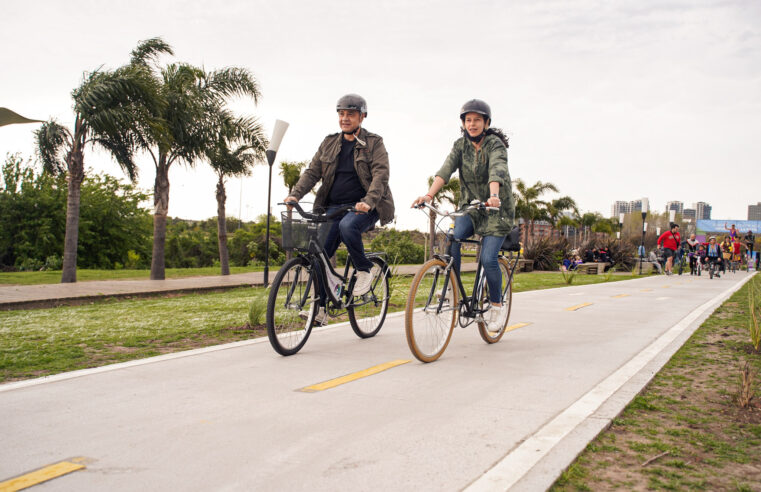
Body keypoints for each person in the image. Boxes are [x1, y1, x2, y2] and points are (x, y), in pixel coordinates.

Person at [285, 94, 395, 322]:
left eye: (351, 114)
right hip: (333, 206)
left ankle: (364, 269)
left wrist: (369, 201)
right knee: (319, 255)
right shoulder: (329, 142)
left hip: (365, 206)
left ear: (362, 117)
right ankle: (321, 308)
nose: (345, 118)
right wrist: (295, 195)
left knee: (348, 226)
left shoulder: (374, 143)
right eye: (341, 114)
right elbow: (312, 172)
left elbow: (380, 175)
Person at [412, 99, 514, 327]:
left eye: (477, 120)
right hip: (471, 207)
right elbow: (445, 170)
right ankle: (452, 288)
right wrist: (428, 196)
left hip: (497, 211)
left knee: (488, 259)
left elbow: (496, 169)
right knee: (452, 237)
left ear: (486, 123)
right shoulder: (460, 146)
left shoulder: (495, 145)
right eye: (468, 120)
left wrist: (494, 196)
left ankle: (496, 306)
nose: (472, 124)